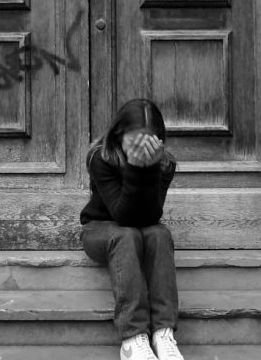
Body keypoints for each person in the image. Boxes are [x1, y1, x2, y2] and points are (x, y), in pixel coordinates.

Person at [79, 98, 183, 360]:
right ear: (118, 135)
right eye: (135, 141)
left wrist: (150, 170)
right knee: (125, 235)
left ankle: (163, 334)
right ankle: (133, 339)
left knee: (160, 234)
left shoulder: (165, 164)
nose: (142, 149)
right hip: (100, 229)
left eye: (149, 142)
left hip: (143, 229)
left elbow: (150, 216)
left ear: (159, 141)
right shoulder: (100, 157)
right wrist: (137, 169)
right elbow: (122, 215)